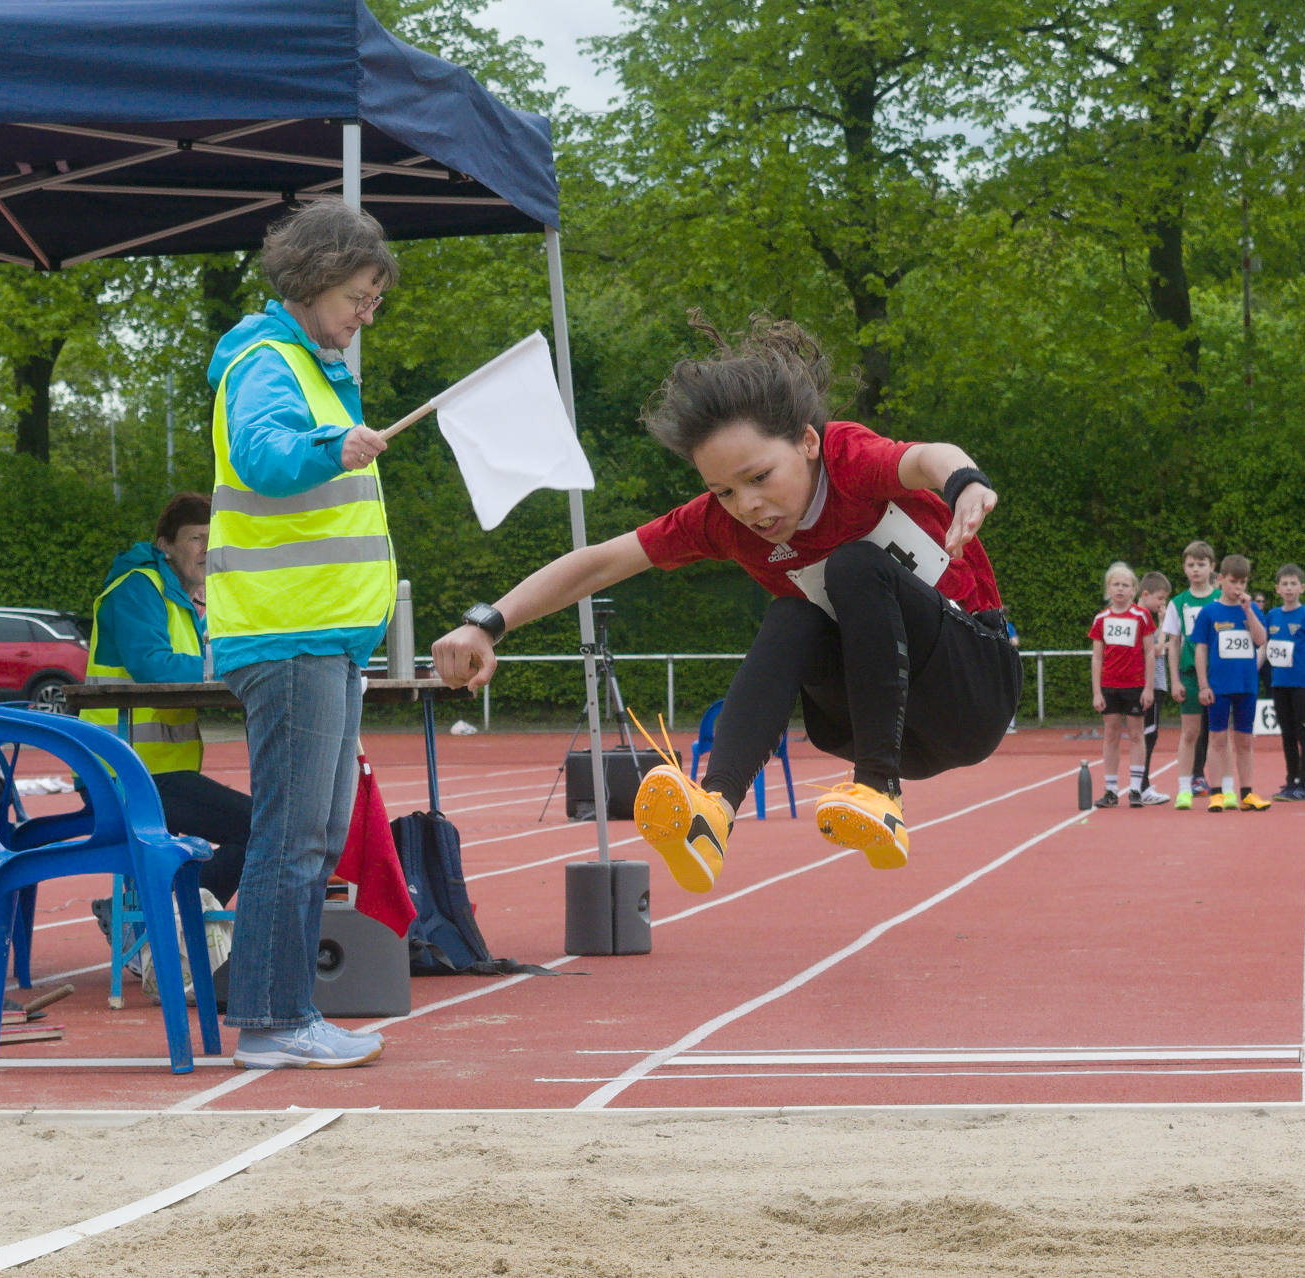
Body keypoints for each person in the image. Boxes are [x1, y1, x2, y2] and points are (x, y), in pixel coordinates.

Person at [431, 313, 1019, 893]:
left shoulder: (848, 460)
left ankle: (879, 793)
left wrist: (963, 480)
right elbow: (602, 561)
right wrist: (489, 622)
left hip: (971, 691)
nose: (747, 505)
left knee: (855, 565)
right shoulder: (721, 524)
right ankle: (713, 812)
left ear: (808, 443)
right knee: (795, 612)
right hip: (877, 719)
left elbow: (924, 457)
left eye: (760, 476)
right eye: (724, 491)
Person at [205, 198, 398, 1070]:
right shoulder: (267, 361)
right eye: (360, 295)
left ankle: (282, 1014)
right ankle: (274, 1020)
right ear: (317, 279)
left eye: (374, 300)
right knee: (296, 836)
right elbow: (262, 457)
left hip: (319, 635)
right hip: (291, 634)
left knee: (311, 833)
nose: (367, 314)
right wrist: (333, 445)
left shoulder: (304, 363)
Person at [81, 493, 252, 908]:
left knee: (272, 822)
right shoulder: (137, 587)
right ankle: (165, 915)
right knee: (264, 825)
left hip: (157, 772)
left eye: (215, 538)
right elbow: (154, 667)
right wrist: (228, 665)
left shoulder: (189, 600)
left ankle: (159, 913)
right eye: (196, 538)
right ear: (164, 546)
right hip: (122, 773)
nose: (207, 550)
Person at [1190, 554, 1270, 812]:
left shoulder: (1251, 609)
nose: (1239, 588)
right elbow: (1200, 650)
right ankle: (1217, 793)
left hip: (1247, 685)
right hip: (1219, 686)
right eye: (1234, 582)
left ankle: (1247, 794)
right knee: (1217, 739)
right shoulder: (1209, 612)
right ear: (1221, 579)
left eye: (1243, 582)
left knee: (1245, 741)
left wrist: (1248, 611)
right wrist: (1203, 685)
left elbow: (1260, 640)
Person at [1087, 562, 1155, 807]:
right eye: (1115, 584)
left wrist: (1148, 688)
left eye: (1125, 585)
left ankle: (1136, 788)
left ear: (1133, 589)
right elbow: (1097, 656)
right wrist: (1096, 692)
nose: (1120, 589)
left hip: (1135, 685)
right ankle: (1111, 789)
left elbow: (1149, 653)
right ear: (1108, 588)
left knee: (1137, 734)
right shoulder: (1101, 619)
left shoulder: (1141, 616)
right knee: (1111, 734)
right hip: (1109, 685)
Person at [1161, 541, 1220, 810]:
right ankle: (1185, 787)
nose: (1195, 569)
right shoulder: (1178, 603)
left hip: (1219, 673)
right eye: (1190, 565)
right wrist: (1175, 679)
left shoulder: (1221, 599)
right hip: (1190, 675)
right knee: (1190, 732)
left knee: (1220, 734)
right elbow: (1173, 642)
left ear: (1212, 567)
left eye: (1201, 564)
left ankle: (1223, 787)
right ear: (1184, 569)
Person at [1264, 564, 1305, 801]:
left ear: (1302, 587)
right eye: (1284, 584)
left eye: (1293, 583)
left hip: (1302, 683)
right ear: (1277, 588)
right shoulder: (1272, 615)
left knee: (1304, 731)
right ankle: (1291, 780)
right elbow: (1265, 647)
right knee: (1286, 733)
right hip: (1279, 682)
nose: (1288, 588)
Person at [1131, 572, 1173, 804]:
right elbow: (1155, 650)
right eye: (1160, 598)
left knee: (1149, 734)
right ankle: (1142, 785)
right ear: (1145, 595)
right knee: (1148, 734)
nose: (1162, 604)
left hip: (1153, 683)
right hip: (1150, 684)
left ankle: (1141, 783)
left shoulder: (1143, 618)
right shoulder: (1144, 617)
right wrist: (1164, 623)